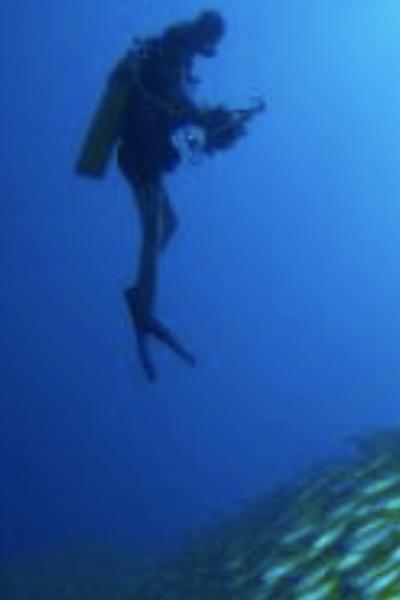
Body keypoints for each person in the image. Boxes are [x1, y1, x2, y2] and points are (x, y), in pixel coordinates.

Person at [78, 10, 263, 381]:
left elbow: (179, 118)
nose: (201, 53)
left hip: (148, 157)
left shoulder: (177, 57)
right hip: (138, 158)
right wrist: (210, 119)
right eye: (205, 45)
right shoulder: (170, 52)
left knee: (172, 224)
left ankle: (141, 288)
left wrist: (217, 128)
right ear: (202, 36)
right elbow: (178, 103)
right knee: (152, 231)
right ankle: (143, 309)